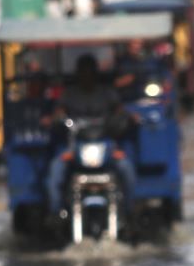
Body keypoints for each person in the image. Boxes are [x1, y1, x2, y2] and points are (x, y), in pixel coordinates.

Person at [44, 54, 137, 226]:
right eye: (83, 72)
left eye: (89, 72)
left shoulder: (107, 93)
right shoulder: (70, 94)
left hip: (106, 145)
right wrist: (53, 119)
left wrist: (129, 117)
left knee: (127, 169)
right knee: (55, 171)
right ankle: (56, 213)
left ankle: (129, 212)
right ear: (78, 74)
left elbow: (120, 111)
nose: (86, 76)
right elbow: (59, 112)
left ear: (95, 73)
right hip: (76, 147)